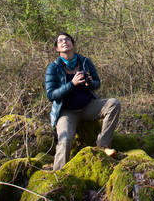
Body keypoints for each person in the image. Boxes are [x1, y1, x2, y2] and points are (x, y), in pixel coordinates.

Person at [45, 33, 121, 170]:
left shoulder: (85, 62)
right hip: (67, 112)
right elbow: (51, 95)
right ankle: (58, 175)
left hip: (88, 106)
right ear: (57, 48)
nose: (64, 42)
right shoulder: (53, 68)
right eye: (60, 41)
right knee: (65, 139)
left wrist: (90, 83)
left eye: (67, 39)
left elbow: (97, 83)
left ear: (72, 44)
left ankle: (102, 146)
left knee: (114, 103)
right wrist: (72, 84)